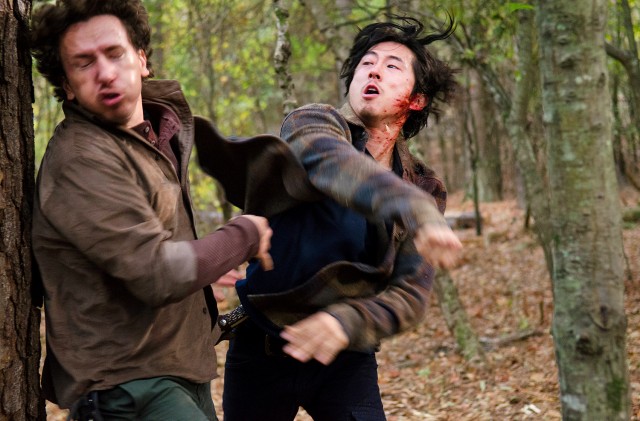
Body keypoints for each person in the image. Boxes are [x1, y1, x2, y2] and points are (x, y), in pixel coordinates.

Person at [203, 16, 462, 421]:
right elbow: (334, 164)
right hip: (262, 345)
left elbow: (410, 296)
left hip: (346, 357)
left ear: (416, 100)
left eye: (392, 66)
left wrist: (346, 322)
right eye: (366, 63)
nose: (374, 70)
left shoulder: (425, 187)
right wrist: (415, 209)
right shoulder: (312, 123)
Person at [29, 1, 272, 419]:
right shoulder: (82, 158)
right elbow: (157, 274)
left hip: (176, 368)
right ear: (67, 85)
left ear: (141, 59)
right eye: (84, 63)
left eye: (114, 53)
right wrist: (244, 234)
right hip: (127, 387)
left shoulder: (155, 136)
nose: (105, 73)